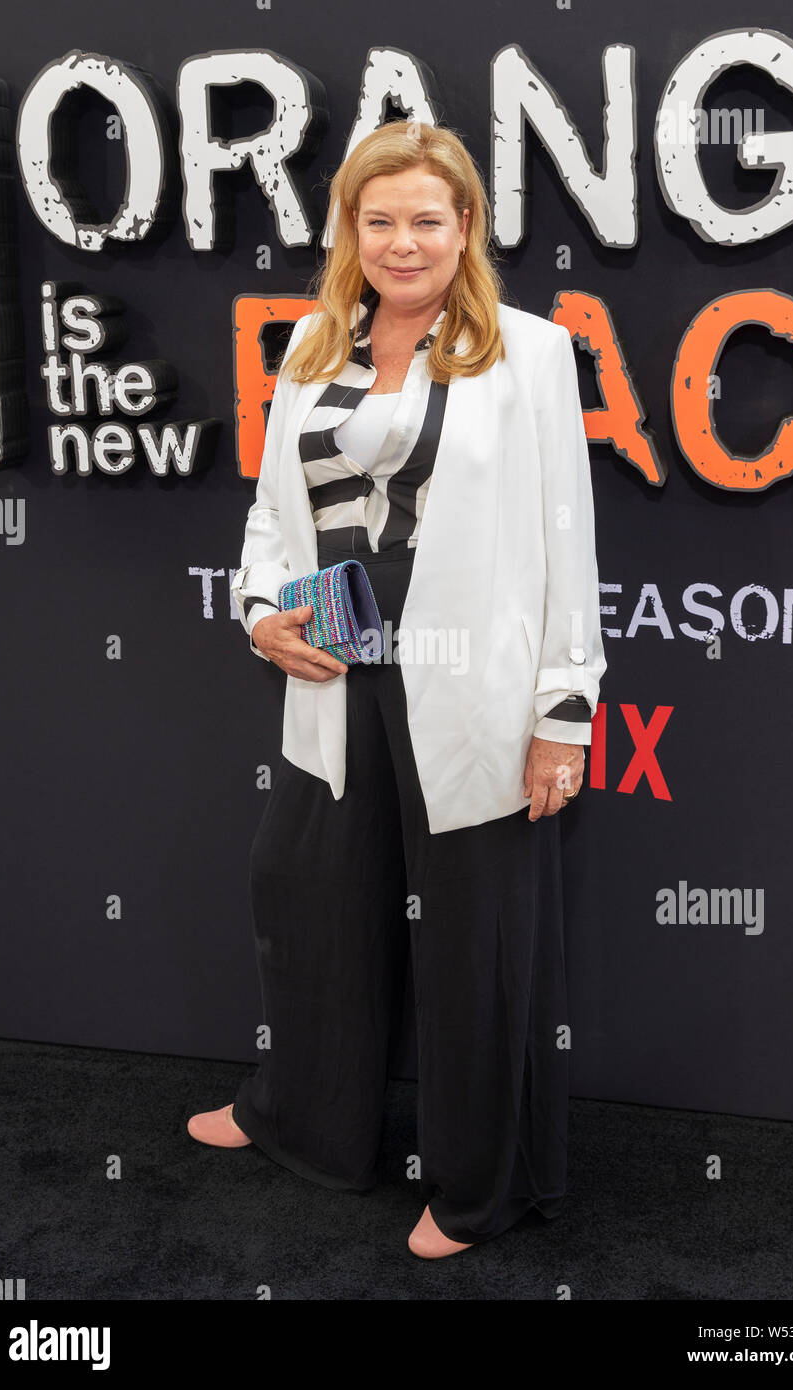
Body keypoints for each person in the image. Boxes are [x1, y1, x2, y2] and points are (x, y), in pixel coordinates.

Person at [188, 121, 606, 1260]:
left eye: (427, 218)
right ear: (351, 230)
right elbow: (273, 514)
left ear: (465, 225)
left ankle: (479, 1187)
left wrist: (561, 712)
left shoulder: (529, 352)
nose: (403, 241)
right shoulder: (314, 345)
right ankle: (304, 1123)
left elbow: (568, 542)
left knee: (476, 942)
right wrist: (260, 610)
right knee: (311, 904)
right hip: (337, 674)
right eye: (380, 220)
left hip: (468, 685)